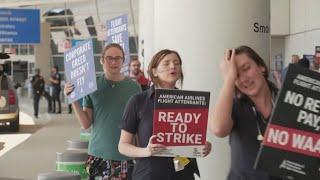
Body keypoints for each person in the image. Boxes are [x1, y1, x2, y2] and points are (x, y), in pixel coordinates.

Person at [119, 49, 212, 180]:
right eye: (166, 63)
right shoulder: (137, 101)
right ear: (154, 71)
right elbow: (123, 146)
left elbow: (190, 141)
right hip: (149, 174)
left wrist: (201, 147)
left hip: (182, 174)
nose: (173, 66)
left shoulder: (190, 102)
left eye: (176, 63)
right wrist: (146, 151)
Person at [64, 43, 141, 179]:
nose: (113, 62)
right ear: (101, 60)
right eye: (109, 58)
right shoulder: (91, 86)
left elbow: (138, 125)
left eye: (118, 58)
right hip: (97, 155)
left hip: (125, 156)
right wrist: (73, 99)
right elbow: (86, 123)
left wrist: (140, 153)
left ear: (123, 61)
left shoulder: (134, 88)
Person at [209, 46, 283, 180]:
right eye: (236, 75)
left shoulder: (286, 102)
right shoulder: (235, 106)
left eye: (246, 69)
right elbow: (218, 129)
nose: (243, 79)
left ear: (262, 67)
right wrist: (228, 79)